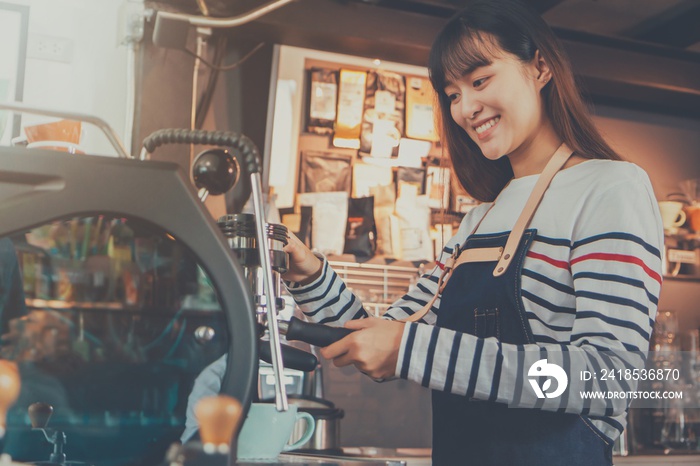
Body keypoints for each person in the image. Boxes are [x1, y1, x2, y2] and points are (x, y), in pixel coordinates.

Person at [282, 0, 663, 464]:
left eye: (479, 81)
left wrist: (411, 349)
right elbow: (379, 337)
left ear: (540, 67)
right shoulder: (479, 219)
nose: (466, 108)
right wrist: (308, 274)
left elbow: (608, 379)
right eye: (453, 94)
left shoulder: (609, 187)